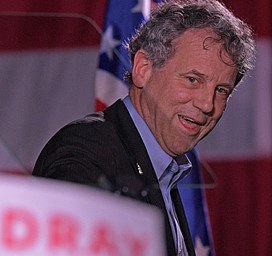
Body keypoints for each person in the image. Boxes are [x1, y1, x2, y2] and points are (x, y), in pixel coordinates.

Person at [33, 0, 255, 255]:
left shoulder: (165, 168)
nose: (207, 104)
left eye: (221, 90)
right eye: (193, 79)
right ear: (143, 69)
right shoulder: (88, 149)